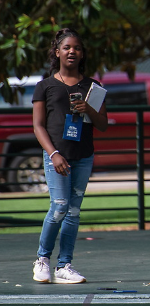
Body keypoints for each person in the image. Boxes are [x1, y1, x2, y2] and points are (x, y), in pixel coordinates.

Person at [31, 28, 109, 284]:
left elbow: (103, 124)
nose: (72, 51)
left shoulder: (93, 87)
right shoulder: (45, 86)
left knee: (73, 212)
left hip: (83, 156)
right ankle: (42, 259)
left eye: (76, 48)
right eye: (66, 47)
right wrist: (53, 154)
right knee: (59, 206)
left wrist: (88, 108)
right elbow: (38, 126)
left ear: (82, 53)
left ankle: (64, 265)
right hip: (57, 156)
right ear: (57, 52)